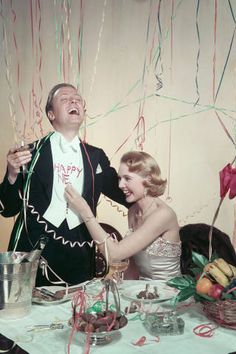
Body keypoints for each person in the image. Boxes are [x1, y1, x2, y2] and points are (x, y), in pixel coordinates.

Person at [0, 83, 127, 286]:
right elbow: (8, 209)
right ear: (51, 114)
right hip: (34, 254)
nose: (74, 101)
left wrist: (152, 203)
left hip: (79, 255)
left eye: (77, 98)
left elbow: (124, 192)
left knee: (77, 314)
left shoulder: (96, 156)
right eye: (65, 99)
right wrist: (12, 174)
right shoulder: (29, 154)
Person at [65, 151, 181, 281]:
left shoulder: (163, 215)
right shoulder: (133, 211)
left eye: (127, 178)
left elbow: (114, 254)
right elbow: (131, 267)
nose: (120, 185)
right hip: (142, 292)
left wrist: (85, 211)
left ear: (148, 178)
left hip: (168, 294)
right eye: (120, 178)